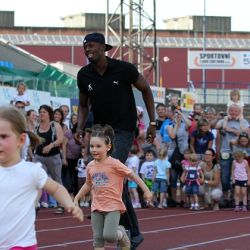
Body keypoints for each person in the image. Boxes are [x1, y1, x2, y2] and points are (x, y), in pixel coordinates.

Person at [76, 32, 156, 249]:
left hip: (123, 129)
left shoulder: (124, 69)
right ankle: (131, 232)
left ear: (104, 47)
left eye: (91, 46)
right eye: (85, 47)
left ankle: (131, 232)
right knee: (111, 179)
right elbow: (84, 105)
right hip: (102, 132)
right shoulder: (84, 75)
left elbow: (146, 90)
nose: (87, 50)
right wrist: (79, 127)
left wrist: (152, 122)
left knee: (111, 173)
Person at [0, 106, 83, 249]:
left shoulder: (31, 171)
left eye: (3, 136)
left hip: (22, 245)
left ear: (21, 140)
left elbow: (56, 188)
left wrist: (69, 204)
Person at [74, 124, 152, 250]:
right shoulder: (90, 166)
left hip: (113, 206)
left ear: (108, 147)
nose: (94, 149)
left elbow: (133, 175)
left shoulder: (115, 163)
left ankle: (121, 234)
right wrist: (77, 198)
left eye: (98, 146)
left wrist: (146, 190)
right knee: (98, 239)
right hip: (96, 206)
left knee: (109, 236)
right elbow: (88, 184)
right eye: (92, 146)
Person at [215, 104, 249, 207]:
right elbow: (217, 126)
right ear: (228, 111)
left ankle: (236, 199)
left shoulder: (243, 121)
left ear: (239, 112)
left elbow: (246, 134)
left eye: (235, 111)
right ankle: (226, 198)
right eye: (232, 111)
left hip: (239, 153)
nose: (233, 113)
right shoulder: (224, 120)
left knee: (239, 176)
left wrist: (232, 130)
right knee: (225, 177)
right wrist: (223, 119)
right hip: (225, 152)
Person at [34, 105, 64, 214]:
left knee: (57, 180)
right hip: (39, 157)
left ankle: (61, 205)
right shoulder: (36, 126)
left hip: (53, 157)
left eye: (44, 112)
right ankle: (35, 204)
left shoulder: (54, 125)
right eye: (40, 112)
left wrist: (51, 146)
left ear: (49, 114)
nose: (41, 114)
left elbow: (60, 139)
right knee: (37, 180)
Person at [125, 145, 141, 209]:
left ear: (130, 152)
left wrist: (131, 177)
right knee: (130, 190)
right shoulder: (130, 158)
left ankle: (137, 202)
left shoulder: (135, 159)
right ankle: (132, 202)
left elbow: (134, 169)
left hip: (133, 177)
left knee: (133, 190)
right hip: (129, 177)